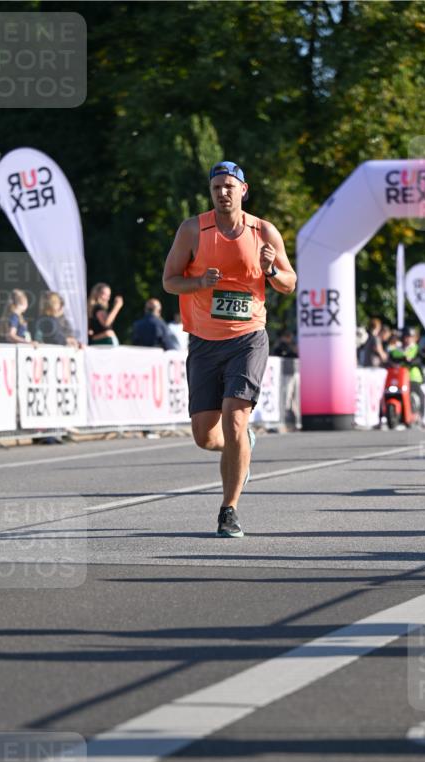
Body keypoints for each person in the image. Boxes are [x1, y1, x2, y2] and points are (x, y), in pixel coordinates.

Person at [163, 159, 296, 537]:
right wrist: (199, 281)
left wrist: (271, 270)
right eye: (216, 187)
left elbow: (290, 282)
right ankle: (242, 446)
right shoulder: (193, 230)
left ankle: (229, 509)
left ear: (243, 190)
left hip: (248, 337)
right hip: (204, 341)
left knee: (235, 415)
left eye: (229, 186)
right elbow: (170, 281)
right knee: (206, 436)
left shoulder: (263, 231)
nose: (222, 193)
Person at [388, 328, 425, 420]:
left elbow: (418, 359)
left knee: (420, 395)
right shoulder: (399, 349)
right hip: (399, 378)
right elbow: (392, 357)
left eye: (410, 337)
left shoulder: (416, 348)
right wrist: (403, 358)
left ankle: (420, 415)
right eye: (406, 337)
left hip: (413, 378)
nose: (408, 339)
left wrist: (409, 360)